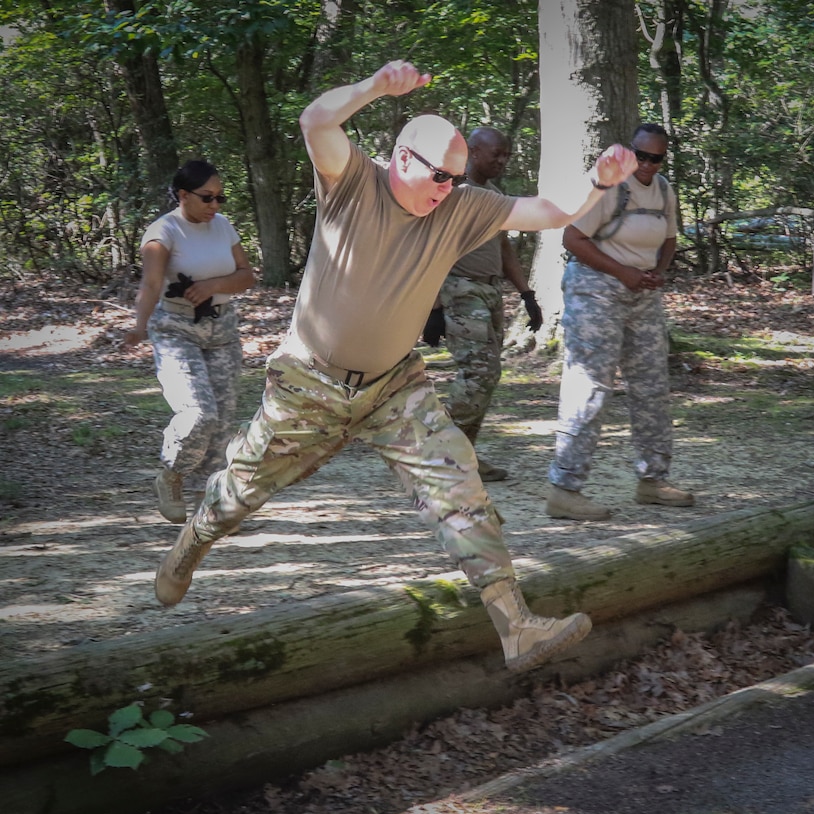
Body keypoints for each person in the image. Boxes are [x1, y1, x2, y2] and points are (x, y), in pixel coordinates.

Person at [154, 61, 637, 674]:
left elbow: (550, 210)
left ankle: (515, 625)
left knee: (458, 486)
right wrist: (377, 87)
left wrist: (597, 181)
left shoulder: (460, 206)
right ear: (401, 157)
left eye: (455, 178)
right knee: (240, 491)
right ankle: (189, 546)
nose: (445, 187)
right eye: (436, 174)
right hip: (309, 382)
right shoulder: (353, 181)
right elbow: (316, 120)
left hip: (393, 388)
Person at [546, 123, 694, 521]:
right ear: (630, 152)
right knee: (590, 386)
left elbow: (669, 238)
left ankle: (653, 480)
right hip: (596, 290)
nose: (645, 164)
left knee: (652, 386)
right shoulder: (610, 188)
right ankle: (565, 488)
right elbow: (572, 239)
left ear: (663, 158)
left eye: (654, 158)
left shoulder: (664, 190)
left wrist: (656, 272)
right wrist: (622, 273)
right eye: (639, 155)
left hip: (641, 294)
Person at [123, 160, 256, 524]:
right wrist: (139, 326)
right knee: (199, 413)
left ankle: (209, 504)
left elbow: (247, 276)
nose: (215, 205)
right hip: (176, 327)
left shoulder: (223, 226)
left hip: (222, 329)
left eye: (220, 198)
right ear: (183, 195)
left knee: (222, 422)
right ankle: (171, 474)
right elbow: (150, 285)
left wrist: (214, 286)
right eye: (207, 197)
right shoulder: (162, 233)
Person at [422, 126, 543, 482]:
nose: (502, 161)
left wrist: (526, 294)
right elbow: (430, 252)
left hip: (490, 292)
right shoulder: (452, 196)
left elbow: (503, 248)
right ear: (474, 152)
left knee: (488, 377)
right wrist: (432, 309)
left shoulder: (493, 195)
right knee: (478, 374)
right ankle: (433, 447)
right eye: (497, 154)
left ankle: (462, 457)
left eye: (506, 155)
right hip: (460, 290)